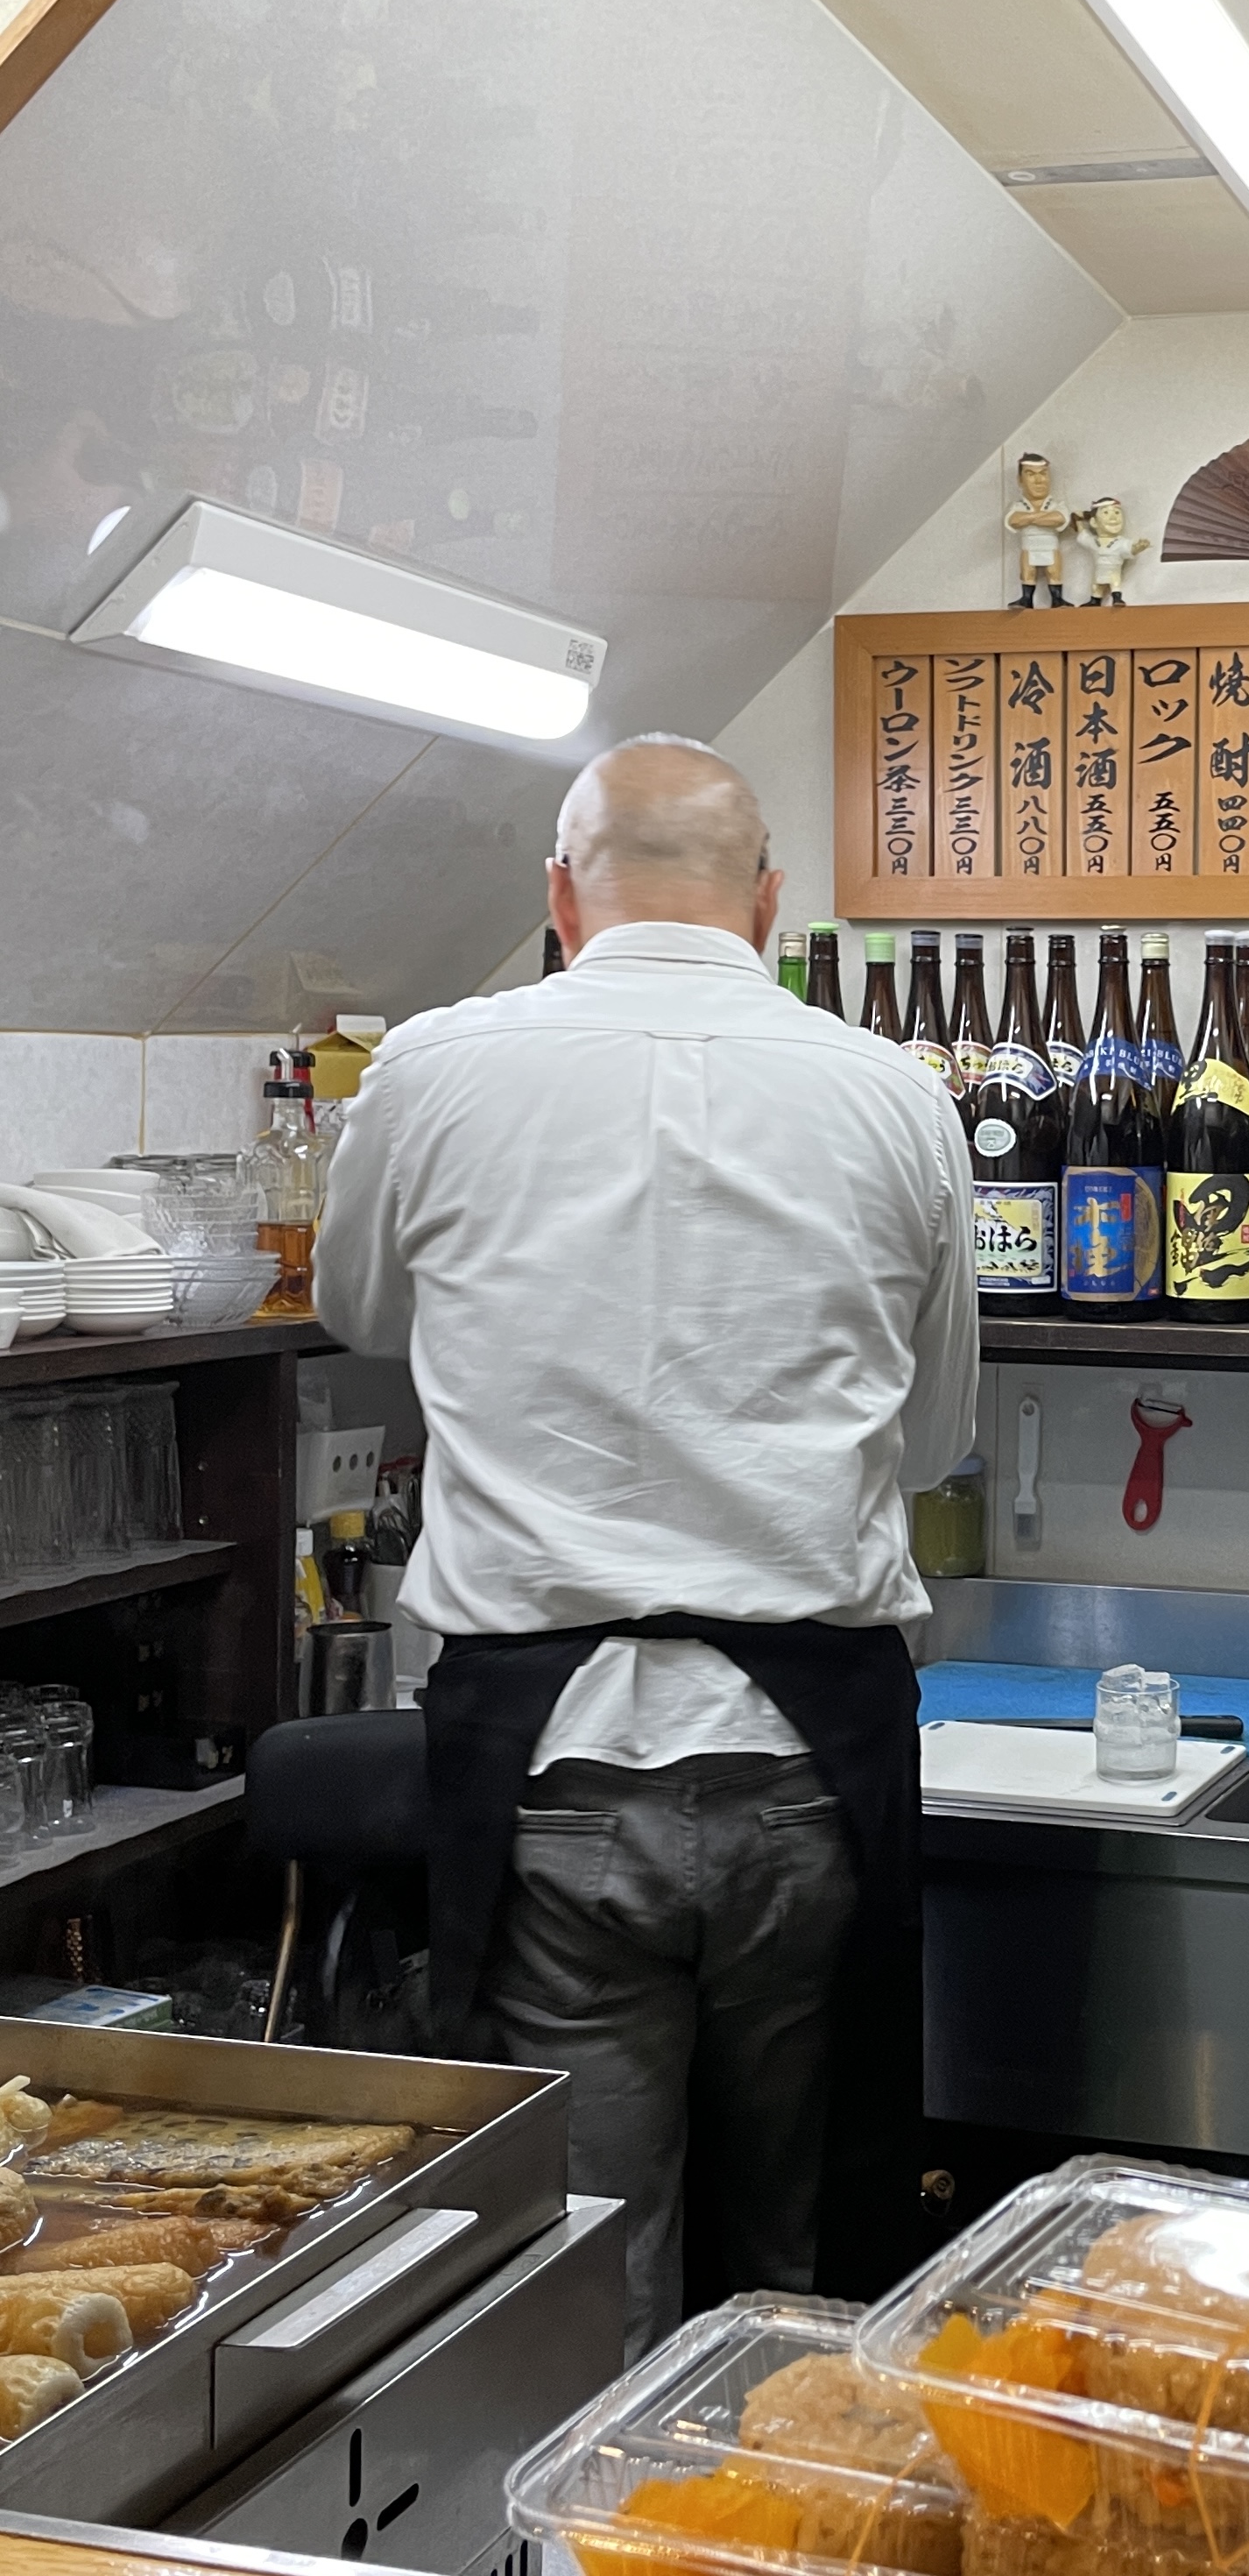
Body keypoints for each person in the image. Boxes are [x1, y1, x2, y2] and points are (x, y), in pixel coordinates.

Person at [314, 735, 976, 2356]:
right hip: (806, 1767)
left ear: (559, 896)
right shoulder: (892, 1092)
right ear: (766, 906)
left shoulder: (434, 1069)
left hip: (548, 1770)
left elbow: (360, 1311)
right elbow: (939, 1426)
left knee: (583, 2269)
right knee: (804, 2260)